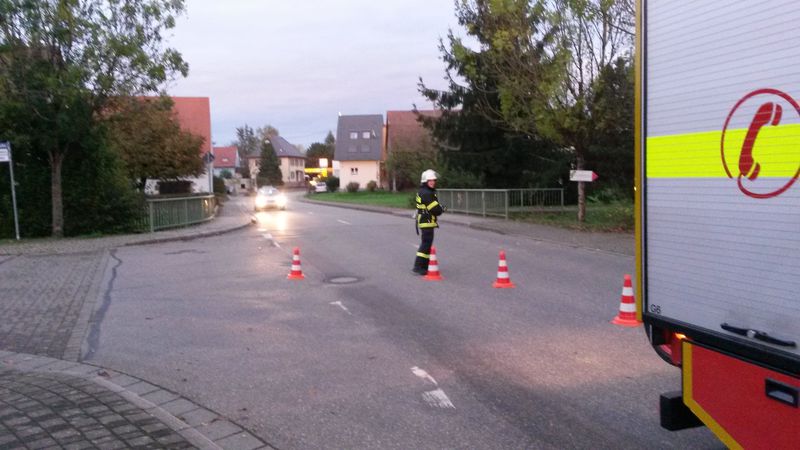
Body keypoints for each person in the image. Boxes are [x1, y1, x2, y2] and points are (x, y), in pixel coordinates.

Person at [412, 169, 445, 275]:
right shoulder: (427, 193)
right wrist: (442, 209)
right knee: (426, 244)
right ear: (425, 181)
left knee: (427, 244)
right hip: (426, 221)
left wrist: (439, 208)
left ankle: (424, 266)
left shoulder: (424, 191)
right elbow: (435, 210)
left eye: (434, 180)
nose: (432, 182)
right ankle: (418, 267)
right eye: (430, 180)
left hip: (425, 221)